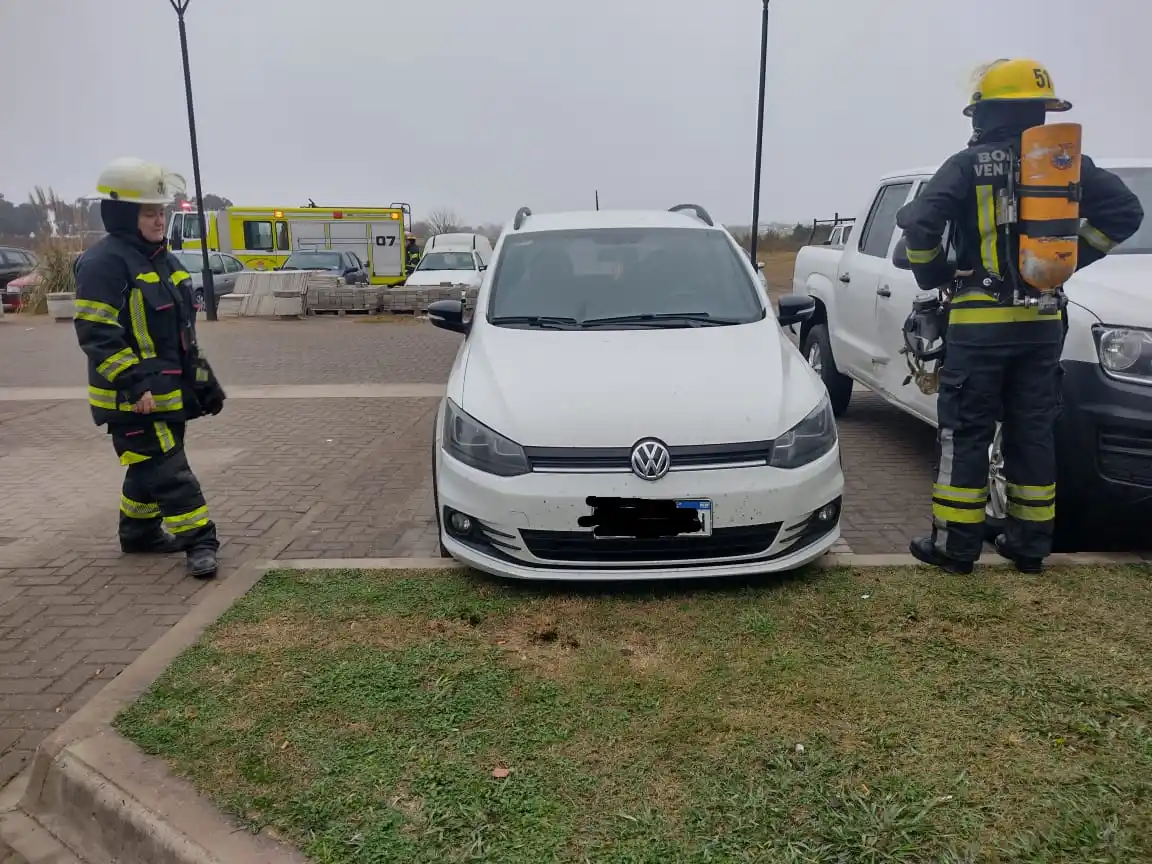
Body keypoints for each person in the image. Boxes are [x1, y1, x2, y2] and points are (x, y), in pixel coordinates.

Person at [896, 58, 1143, 576]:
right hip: (1043, 325)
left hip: (979, 326)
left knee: (965, 433)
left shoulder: (966, 165)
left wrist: (933, 271)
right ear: (1040, 112)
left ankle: (955, 546)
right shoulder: (1064, 163)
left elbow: (920, 222)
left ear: (984, 114)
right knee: (1032, 432)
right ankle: (1029, 544)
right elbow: (1125, 212)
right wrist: (1066, 262)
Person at [74, 157, 228, 579]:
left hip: (166, 392)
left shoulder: (162, 259)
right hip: (132, 398)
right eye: (149, 212)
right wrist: (134, 384)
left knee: (148, 464)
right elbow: (98, 334)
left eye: (161, 211)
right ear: (124, 214)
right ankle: (200, 541)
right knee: (168, 468)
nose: (160, 220)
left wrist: (202, 381)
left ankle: (138, 533)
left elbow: (180, 333)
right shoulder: (104, 264)